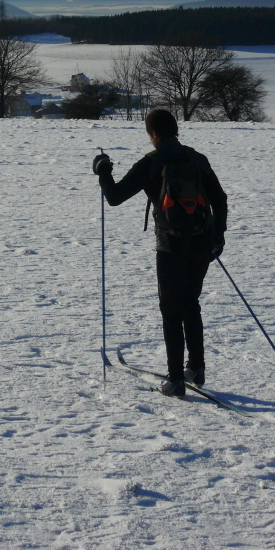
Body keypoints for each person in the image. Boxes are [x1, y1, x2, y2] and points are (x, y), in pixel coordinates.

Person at [93, 108, 228, 397]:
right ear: (175, 129)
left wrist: (103, 170)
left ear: (153, 134)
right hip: (202, 241)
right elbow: (220, 198)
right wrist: (218, 237)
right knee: (190, 301)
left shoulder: (151, 162)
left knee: (170, 309)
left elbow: (115, 197)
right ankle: (196, 368)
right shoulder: (197, 158)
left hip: (170, 245)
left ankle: (176, 379)